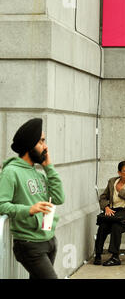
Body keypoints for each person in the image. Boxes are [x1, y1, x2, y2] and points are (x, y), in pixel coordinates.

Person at [0, 118, 65, 279]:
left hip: (49, 239)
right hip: (29, 244)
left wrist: (48, 167)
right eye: (41, 141)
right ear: (30, 145)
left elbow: (58, 198)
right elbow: (1, 205)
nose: (46, 146)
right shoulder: (11, 172)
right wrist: (28, 209)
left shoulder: (38, 173)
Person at [94, 161, 125, 266]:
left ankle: (115, 257)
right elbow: (103, 197)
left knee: (116, 226)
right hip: (113, 213)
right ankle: (98, 254)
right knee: (103, 226)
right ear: (119, 172)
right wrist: (106, 207)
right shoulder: (112, 182)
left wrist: (121, 191)